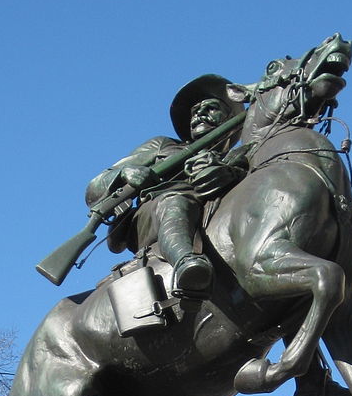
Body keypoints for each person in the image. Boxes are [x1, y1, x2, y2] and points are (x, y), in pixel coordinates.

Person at [85, 74, 247, 295]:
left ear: (230, 117)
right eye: (194, 112)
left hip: (206, 211)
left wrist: (231, 173)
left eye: (210, 108)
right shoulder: (163, 145)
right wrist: (125, 173)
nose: (199, 114)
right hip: (155, 214)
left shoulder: (238, 158)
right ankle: (186, 263)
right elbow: (94, 188)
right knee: (175, 200)